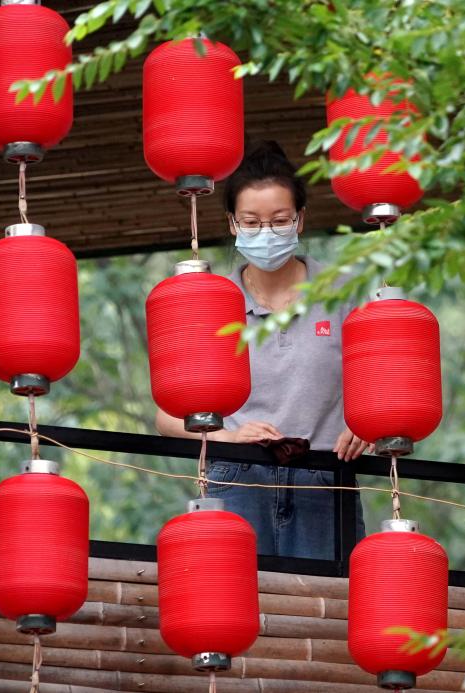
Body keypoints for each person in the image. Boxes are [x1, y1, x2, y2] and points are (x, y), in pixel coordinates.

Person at [155, 140, 367, 558]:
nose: (266, 232)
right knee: (234, 594)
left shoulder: (343, 293)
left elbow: (384, 385)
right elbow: (166, 417)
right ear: (233, 224)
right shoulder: (209, 301)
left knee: (329, 598)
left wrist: (368, 425)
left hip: (325, 476)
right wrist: (229, 436)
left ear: (300, 220)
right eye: (251, 222)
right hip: (237, 479)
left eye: (279, 220)